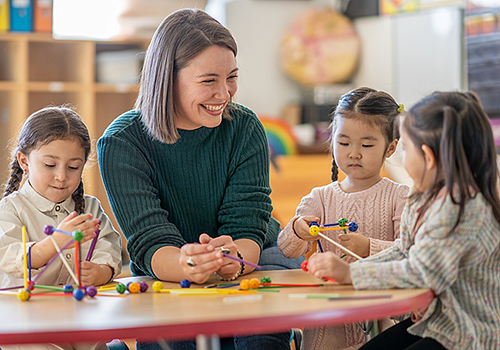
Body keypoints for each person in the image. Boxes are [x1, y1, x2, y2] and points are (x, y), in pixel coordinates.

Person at [97, 8, 300, 350]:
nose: (225, 93)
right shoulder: (122, 142)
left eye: (231, 77)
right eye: (209, 81)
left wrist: (233, 261)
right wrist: (189, 264)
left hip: (250, 262)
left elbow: (249, 226)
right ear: (167, 78)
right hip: (168, 275)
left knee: (260, 343)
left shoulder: (245, 128)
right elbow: (149, 241)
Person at [306, 91, 500, 350]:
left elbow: (422, 272)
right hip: (437, 323)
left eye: (406, 148)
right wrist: (347, 274)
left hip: (467, 336)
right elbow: (404, 250)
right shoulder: (425, 196)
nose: (402, 158)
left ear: (428, 158)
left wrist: (352, 273)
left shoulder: (463, 207)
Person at [278, 87, 410, 350]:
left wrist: (368, 247)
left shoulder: (399, 197)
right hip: (328, 328)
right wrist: (298, 230)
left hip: (382, 323)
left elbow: (411, 252)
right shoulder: (319, 198)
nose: (354, 153)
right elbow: (286, 248)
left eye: (367, 144)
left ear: (390, 148)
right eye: (344, 142)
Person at [0, 106, 122, 350]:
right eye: (49, 165)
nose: (61, 176)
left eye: (73, 167)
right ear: (24, 161)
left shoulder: (90, 207)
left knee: (97, 346)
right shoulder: (10, 208)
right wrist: (55, 241)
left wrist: (102, 272)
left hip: (77, 316)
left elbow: (109, 246)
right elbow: (9, 256)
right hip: (23, 321)